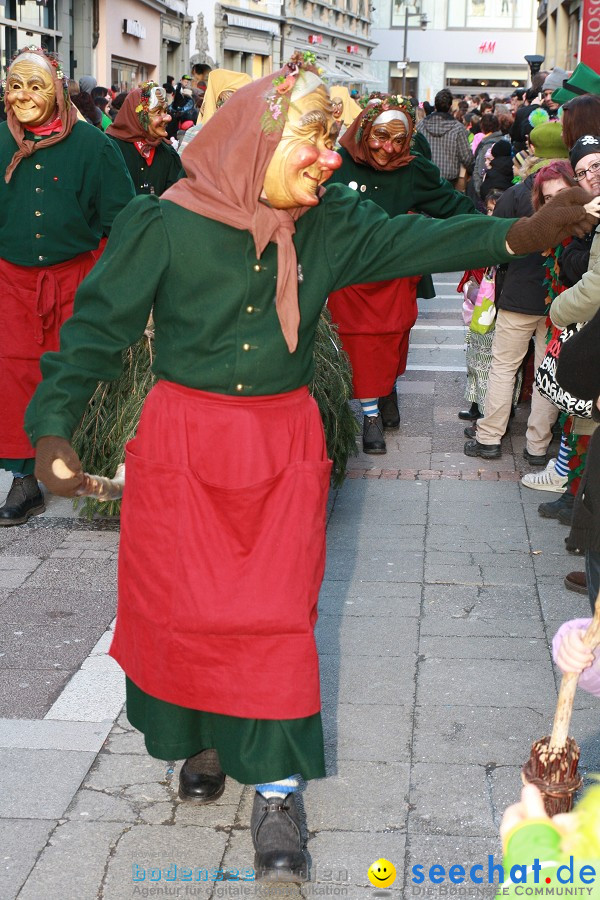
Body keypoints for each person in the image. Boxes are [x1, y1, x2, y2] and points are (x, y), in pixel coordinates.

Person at [22, 53, 595, 880]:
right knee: (185, 607)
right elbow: (95, 333)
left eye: (334, 142)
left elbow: (417, 236)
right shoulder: (166, 223)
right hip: (185, 442)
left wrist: (519, 231)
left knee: (275, 616)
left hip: (281, 448)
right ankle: (206, 738)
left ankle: (280, 791)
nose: (331, 159)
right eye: (313, 141)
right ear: (256, 145)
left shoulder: (324, 224)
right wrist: (53, 430)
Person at [0, 45, 135, 526]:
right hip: (10, 284)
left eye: (34, 85)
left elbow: (121, 219)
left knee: (72, 374)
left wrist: (108, 278)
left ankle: (79, 466)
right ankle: (24, 480)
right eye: (15, 85)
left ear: (56, 89)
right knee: (14, 377)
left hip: (76, 280)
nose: (23, 96)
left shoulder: (94, 146)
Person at [326, 92, 480, 453]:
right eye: (382, 137)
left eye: (400, 140)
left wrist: (493, 228)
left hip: (394, 275)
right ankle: (370, 416)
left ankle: (386, 389)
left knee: (393, 341)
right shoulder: (337, 162)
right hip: (349, 275)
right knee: (360, 343)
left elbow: (450, 204)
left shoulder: (412, 169)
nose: (390, 149)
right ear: (365, 131)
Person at [464, 123, 573, 463]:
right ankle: (537, 447)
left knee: (503, 368)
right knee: (547, 370)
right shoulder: (575, 190)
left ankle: (489, 438)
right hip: (558, 298)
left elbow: (499, 249)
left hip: (516, 297)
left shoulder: (514, 194)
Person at [106, 82, 184, 196]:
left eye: (165, 111)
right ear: (138, 115)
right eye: (158, 112)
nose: (168, 118)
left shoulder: (168, 154)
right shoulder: (111, 149)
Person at [415, 88, 473, 186]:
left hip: (425, 178)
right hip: (449, 181)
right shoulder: (458, 128)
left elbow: (414, 151)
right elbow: (467, 157)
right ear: (450, 106)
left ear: (435, 105)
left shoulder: (420, 125)